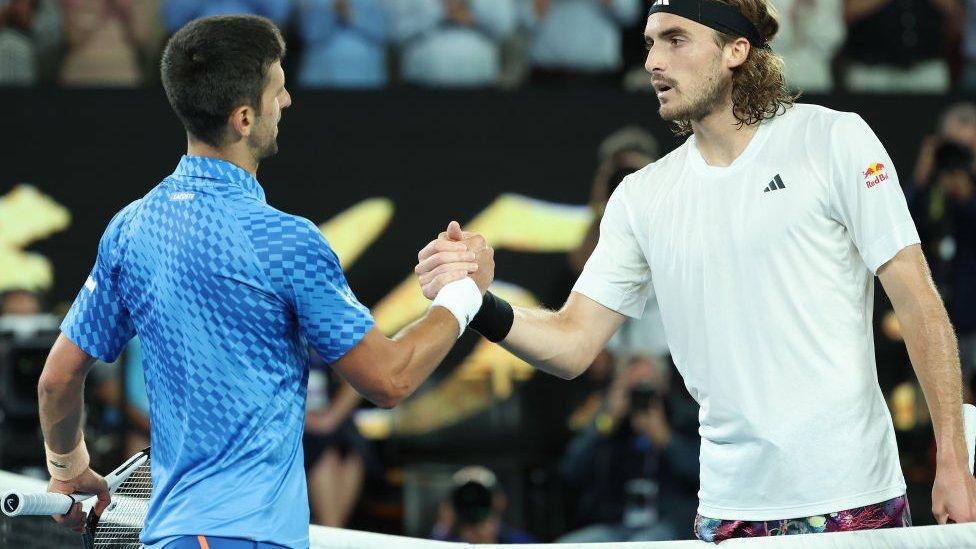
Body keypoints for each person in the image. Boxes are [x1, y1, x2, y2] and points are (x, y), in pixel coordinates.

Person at [416, 0, 976, 541]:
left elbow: (918, 300)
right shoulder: (641, 198)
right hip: (727, 514)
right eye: (649, 43)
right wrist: (476, 302)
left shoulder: (833, 139)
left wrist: (952, 459)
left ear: (735, 50)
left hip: (854, 500)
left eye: (676, 39)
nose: (654, 61)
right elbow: (572, 343)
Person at [38, 15, 493, 549]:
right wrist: (465, 293)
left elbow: (57, 381)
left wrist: (68, 468)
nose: (289, 101)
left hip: (173, 538)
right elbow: (388, 380)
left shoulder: (132, 228)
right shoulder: (285, 241)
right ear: (245, 117)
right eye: (278, 90)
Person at [558, 355, 699, 542]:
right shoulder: (609, 426)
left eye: (646, 386)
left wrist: (665, 439)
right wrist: (607, 420)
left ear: (663, 386)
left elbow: (699, 473)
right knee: (567, 545)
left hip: (668, 523)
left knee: (643, 543)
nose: (639, 397)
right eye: (631, 389)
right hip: (616, 524)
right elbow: (571, 470)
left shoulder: (684, 421)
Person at [430, 466, 536, 544]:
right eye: (464, 497)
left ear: (500, 500)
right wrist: (443, 528)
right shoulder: (440, 542)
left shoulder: (522, 543)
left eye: (482, 497)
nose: (472, 502)